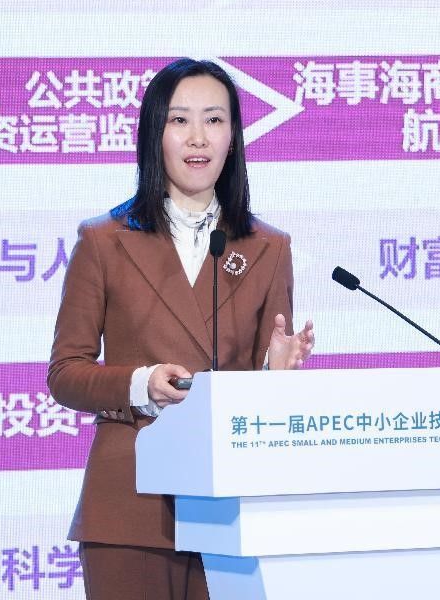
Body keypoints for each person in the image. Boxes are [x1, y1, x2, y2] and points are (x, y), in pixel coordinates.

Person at [47, 58, 314, 600]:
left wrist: (275, 377)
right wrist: (139, 384)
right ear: (155, 135)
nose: (198, 137)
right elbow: (66, 373)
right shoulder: (104, 240)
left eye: (214, 120)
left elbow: (262, 398)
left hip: (231, 506)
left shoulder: (268, 247)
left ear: (233, 138)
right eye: (179, 120)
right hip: (131, 502)